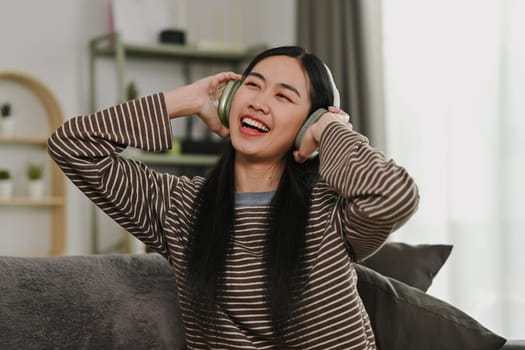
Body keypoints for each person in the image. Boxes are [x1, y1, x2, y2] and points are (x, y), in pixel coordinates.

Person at [48, 46, 419, 349]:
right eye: (252, 85)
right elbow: (72, 146)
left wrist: (331, 130)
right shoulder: (178, 207)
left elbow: (394, 195)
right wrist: (186, 100)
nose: (259, 102)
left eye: (283, 96)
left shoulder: (332, 212)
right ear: (229, 99)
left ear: (308, 123)